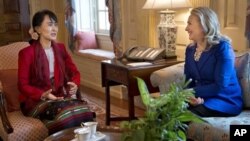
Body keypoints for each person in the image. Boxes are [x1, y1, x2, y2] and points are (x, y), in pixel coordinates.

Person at [18, 9, 95, 134]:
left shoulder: (60, 49)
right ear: (37, 29)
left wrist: (74, 84)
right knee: (65, 117)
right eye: (49, 24)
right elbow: (22, 85)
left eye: (56, 24)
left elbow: (75, 72)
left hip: (58, 97)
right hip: (35, 101)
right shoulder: (26, 53)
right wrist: (43, 94)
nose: (54, 28)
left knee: (85, 111)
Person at [184, 7, 243, 117]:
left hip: (223, 100)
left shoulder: (223, 47)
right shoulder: (190, 49)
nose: (186, 28)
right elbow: (187, 81)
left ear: (203, 25)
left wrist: (191, 93)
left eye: (190, 23)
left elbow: (220, 86)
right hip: (200, 97)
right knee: (164, 110)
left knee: (181, 117)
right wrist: (191, 97)